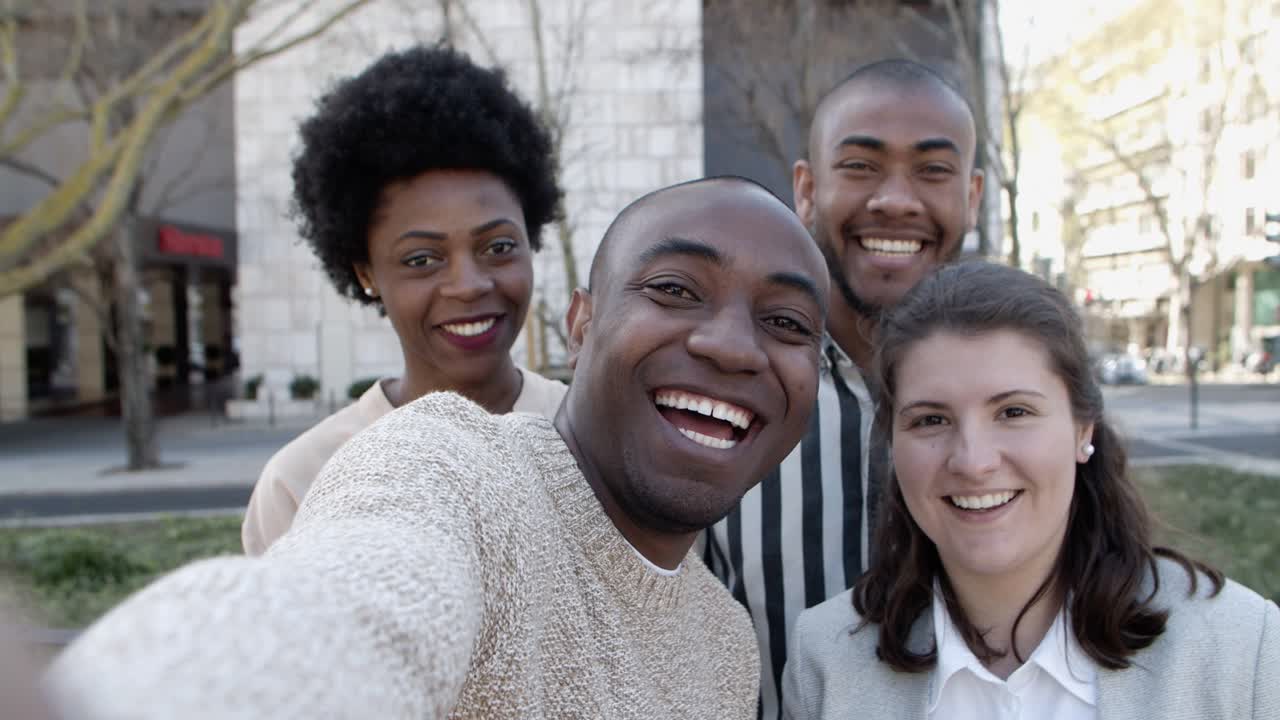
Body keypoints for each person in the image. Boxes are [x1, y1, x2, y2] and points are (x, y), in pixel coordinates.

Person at [45, 176, 831, 719]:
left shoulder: (725, 644)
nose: (733, 347)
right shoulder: (446, 471)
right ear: (582, 321)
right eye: (674, 290)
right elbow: (338, 614)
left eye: (787, 324)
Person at [782, 262, 1280, 719]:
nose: (973, 462)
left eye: (1013, 412)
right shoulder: (826, 660)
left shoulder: (1242, 649)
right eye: (931, 419)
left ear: (1084, 428)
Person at [703, 58, 984, 717]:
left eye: (932, 170)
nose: (894, 199)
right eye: (860, 166)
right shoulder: (724, 392)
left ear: (971, 196)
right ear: (806, 188)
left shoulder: (1026, 402)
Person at [241, 45, 568, 555]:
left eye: (499, 247)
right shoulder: (301, 484)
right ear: (366, 272)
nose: (469, 284)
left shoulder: (601, 445)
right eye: (422, 259)